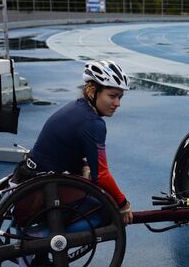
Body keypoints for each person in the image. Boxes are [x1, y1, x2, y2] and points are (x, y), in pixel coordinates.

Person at [10, 60, 133, 225]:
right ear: (92, 91)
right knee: (107, 210)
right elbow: (102, 176)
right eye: (112, 96)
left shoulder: (77, 107)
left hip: (25, 177)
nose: (117, 103)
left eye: (120, 97)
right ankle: (46, 238)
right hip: (41, 192)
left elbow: (64, 150)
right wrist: (124, 204)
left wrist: (82, 166)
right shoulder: (93, 123)